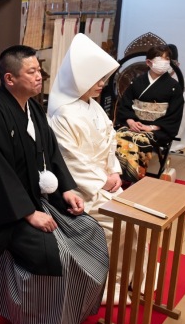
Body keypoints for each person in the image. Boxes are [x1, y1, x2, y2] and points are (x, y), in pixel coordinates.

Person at [0, 44, 108, 324]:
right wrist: (27, 213)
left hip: (38, 197)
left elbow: (52, 155)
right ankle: (36, 322)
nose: (40, 76)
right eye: (31, 71)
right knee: (54, 253)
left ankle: (73, 313)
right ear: (9, 79)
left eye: (39, 70)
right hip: (5, 207)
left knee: (90, 231)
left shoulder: (34, 109)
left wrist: (68, 188)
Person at [48, 34, 134, 303]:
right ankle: (105, 284)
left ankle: (129, 277)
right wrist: (101, 181)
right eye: (96, 79)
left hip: (105, 182)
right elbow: (69, 160)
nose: (101, 85)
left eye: (103, 79)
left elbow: (109, 144)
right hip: (79, 191)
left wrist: (115, 172)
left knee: (137, 216)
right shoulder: (63, 113)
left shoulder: (94, 107)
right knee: (115, 224)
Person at [115, 44, 184, 182]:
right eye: (160, 59)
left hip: (157, 128)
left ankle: (134, 177)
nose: (164, 62)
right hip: (134, 122)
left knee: (140, 139)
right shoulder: (137, 82)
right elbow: (125, 104)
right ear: (148, 62)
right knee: (119, 136)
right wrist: (130, 121)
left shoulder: (173, 86)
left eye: (167, 59)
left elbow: (174, 114)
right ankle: (117, 174)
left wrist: (151, 127)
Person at [166, 44, 185, 152]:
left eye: (169, 62)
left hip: (173, 126)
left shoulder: (184, 86)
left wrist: (172, 141)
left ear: (177, 64)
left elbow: (181, 116)